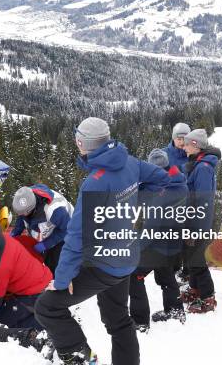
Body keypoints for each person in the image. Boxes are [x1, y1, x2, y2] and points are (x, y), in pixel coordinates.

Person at [35, 117, 171, 365]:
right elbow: (162, 178)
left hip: (103, 264)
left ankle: (80, 358)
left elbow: (76, 237)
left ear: (82, 143)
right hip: (126, 257)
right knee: (118, 319)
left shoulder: (95, 183)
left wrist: (63, 280)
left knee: (47, 306)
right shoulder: (130, 163)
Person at [129, 149, 187, 333]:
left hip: (158, 243)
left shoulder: (161, 194)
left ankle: (140, 321)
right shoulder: (178, 184)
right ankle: (175, 311)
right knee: (166, 274)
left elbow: (151, 227)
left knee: (134, 276)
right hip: (174, 242)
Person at [181, 129, 221, 314]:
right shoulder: (198, 165)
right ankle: (195, 289)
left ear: (196, 146)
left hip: (197, 223)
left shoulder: (203, 168)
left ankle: (207, 297)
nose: (184, 146)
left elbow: (202, 202)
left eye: (187, 144)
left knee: (197, 260)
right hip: (192, 221)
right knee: (191, 259)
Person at [10, 184, 73, 273]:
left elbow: (65, 230)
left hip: (65, 228)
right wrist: (13, 235)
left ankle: (56, 282)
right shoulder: (26, 199)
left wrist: (45, 244)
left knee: (54, 262)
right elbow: (22, 218)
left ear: (32, 209)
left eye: (23, 213)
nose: (21, 215)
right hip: (49, 223)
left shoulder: (55, 210)